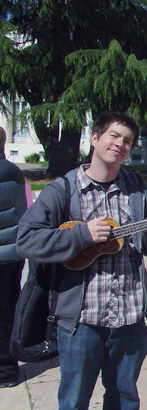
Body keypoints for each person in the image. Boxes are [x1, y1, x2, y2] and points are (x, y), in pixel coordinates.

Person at [17, 112, 147, 409]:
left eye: (127, 141)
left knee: (125, 399)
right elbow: (26, 241)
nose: (121, 144)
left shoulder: (137, 190)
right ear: (95, 138)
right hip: (81, 322)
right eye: (114, 136)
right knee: (74, 401)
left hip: (130, 318)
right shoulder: (63, 190)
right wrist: (82, 236)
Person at [0, 127, 27, 388]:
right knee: (10, 307)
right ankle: (12, 361)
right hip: (14, 251)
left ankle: (5, 370)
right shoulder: (13, 170)